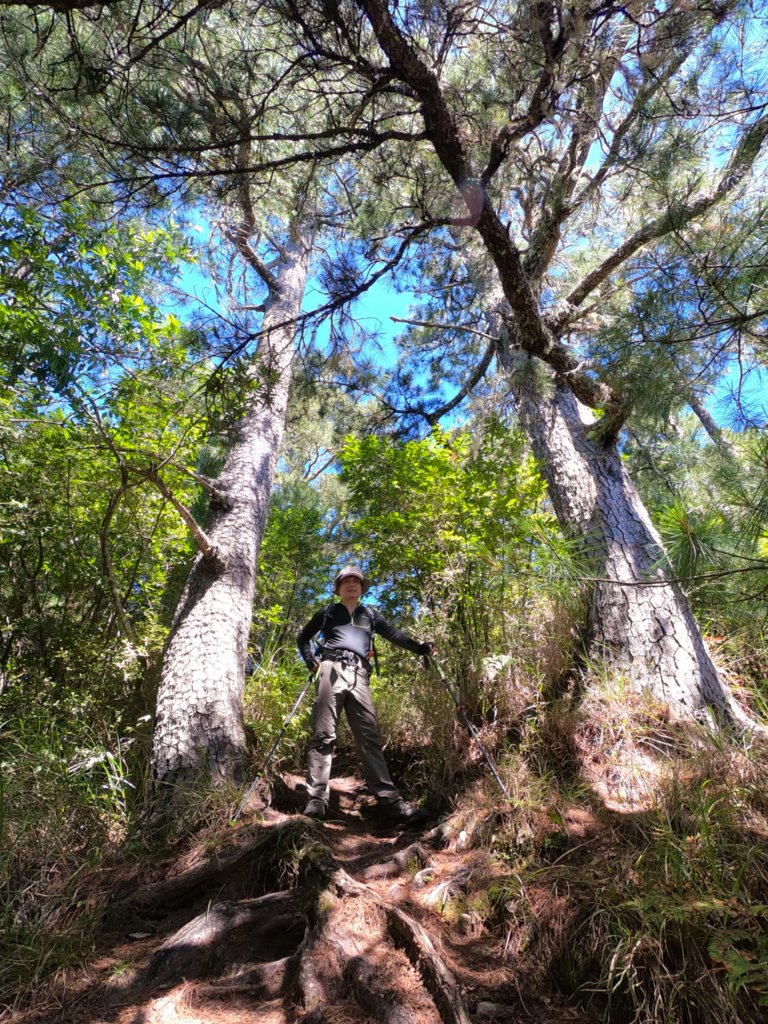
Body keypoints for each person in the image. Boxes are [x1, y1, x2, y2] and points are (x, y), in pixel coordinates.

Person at [297, 565, 434, 826]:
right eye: (346, 580)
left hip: (360, 673)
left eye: (356, 581)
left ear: (362, 588)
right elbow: (303, 638)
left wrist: (419, 648)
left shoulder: (369, 614)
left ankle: (390, 802)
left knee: (369, 738)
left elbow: (394, 634)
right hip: (330, 670)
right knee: (323, 734)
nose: (352, 584)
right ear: (338, 588)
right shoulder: (327, 612)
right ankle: (316, 800)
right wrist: (309, 661)